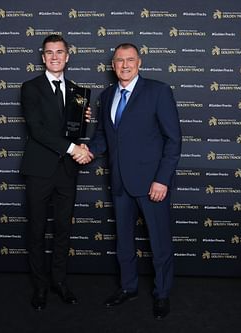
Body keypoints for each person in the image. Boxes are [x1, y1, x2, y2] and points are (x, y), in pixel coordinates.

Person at [87, 43, 182, 320]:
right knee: (124, 243)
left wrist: (162, 180)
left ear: (139, 62)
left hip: (152, 183)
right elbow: (104, 137)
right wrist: (88, 150)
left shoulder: (158, 91)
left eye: (130, 60)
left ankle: (162, 294)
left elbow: (173, 140)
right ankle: (128, 287)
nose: (124, 65)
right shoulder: (106, 97)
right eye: (119, 61)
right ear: (112, 65)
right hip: (119, 182)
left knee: (159, 242)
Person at [20, 34, 92, 311]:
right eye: (49, 53)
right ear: (43, 57)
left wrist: (83, 127)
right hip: (39, 169)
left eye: (59, 52)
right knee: (37, 230)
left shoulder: (77, 91)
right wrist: (75, 148)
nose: (54, 57)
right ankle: (40, 286)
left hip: (66, 171)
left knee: (63, 229)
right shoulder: (30, 88)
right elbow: (37, 130)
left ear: (67, 56)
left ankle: (59, 282)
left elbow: (75, 130)